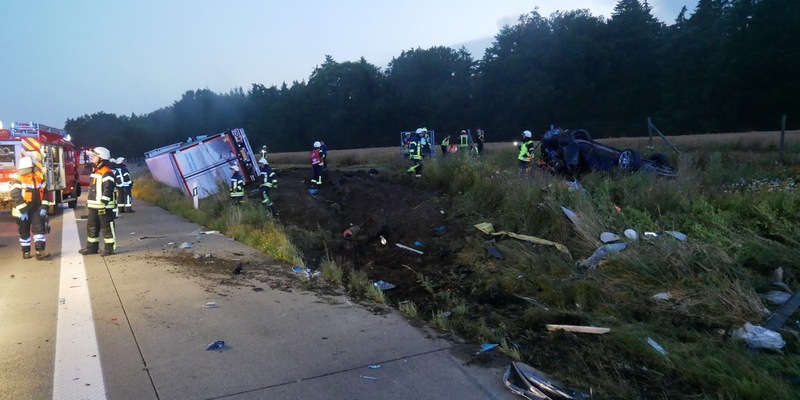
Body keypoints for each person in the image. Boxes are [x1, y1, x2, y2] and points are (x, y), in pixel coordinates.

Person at [10, 156, 51, 260]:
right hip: (23, 212)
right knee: (24, 232)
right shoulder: (18, 181)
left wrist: (44, 207)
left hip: (36, 210)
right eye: (33, 166)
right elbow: (15, 196)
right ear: (30, 167)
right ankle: (26, 252)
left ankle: (40, 251)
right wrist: (23, 210)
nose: (35, 168)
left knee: (39, 230)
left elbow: (45, 194)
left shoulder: (38, 179)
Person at [79, 147, 118, 256]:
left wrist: (103, 204)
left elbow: (108, 189)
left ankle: (109, 248)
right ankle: (91, 248)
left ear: (101, 158)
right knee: (92, 226)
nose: (92, 157)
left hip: (104, 206)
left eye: (95, 156)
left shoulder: (107, 172)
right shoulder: (96, 171)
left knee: (107, 227)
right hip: (94, 206)